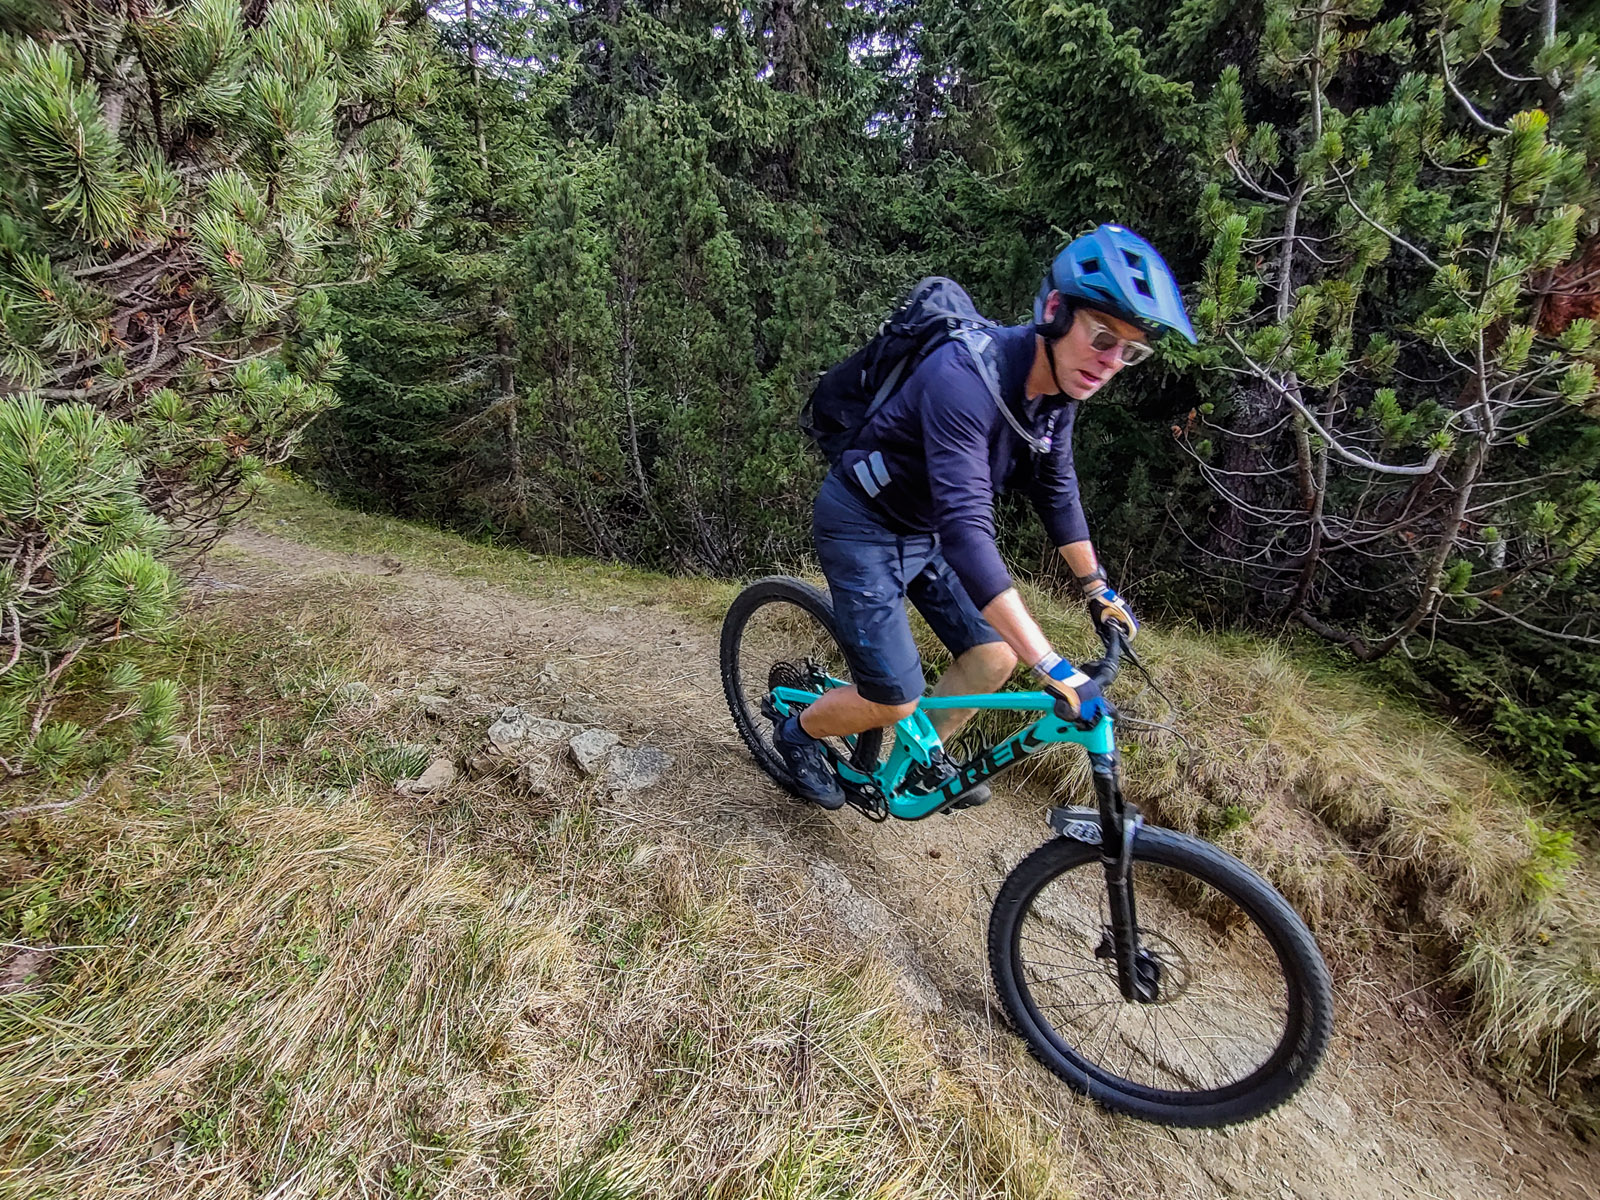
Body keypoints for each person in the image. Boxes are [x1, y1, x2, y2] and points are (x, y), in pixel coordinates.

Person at [770, 224, 1197, 809]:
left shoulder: (1057, 392)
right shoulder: (964, 378)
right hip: (863, 523)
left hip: (922, 529)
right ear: (1055, 311)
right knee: (894, 697)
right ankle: (796, 733)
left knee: (993, 655)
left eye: (1132, 351)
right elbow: (967, 534)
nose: (1112, 362)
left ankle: (913, 764)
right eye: (1103, 337)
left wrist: (1096, 587)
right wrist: (1052, 665)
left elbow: (1057, 489)